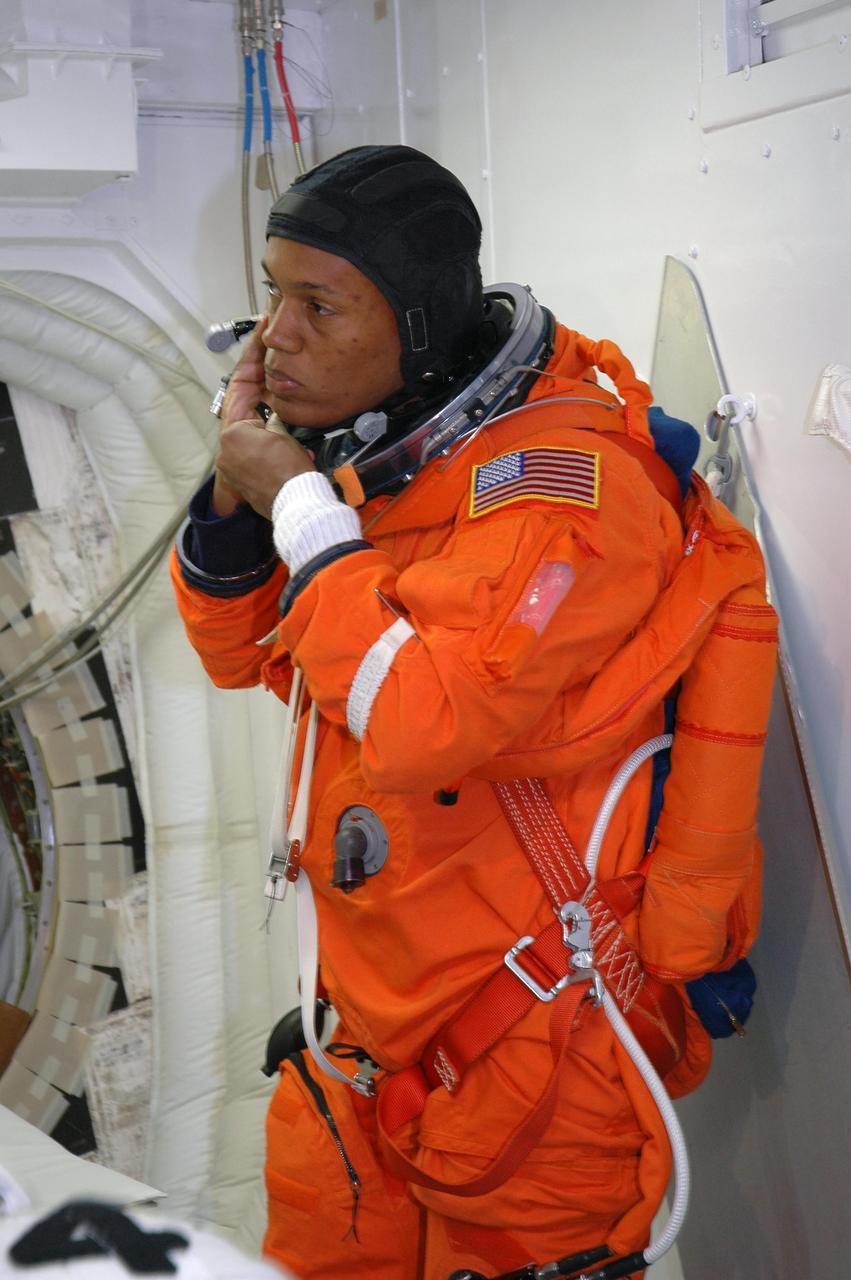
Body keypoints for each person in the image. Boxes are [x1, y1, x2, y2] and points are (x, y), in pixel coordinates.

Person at [172, 145, 777, 1280]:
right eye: (270, 293)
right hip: (363, 1047)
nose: (274, 338)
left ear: (412, 316)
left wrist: (303, 509)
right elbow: (249, 650)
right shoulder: (401, 462)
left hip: (529, 1059)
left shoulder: (565, 496)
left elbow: (423, 718)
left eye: (316, 304)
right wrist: (239, 490)